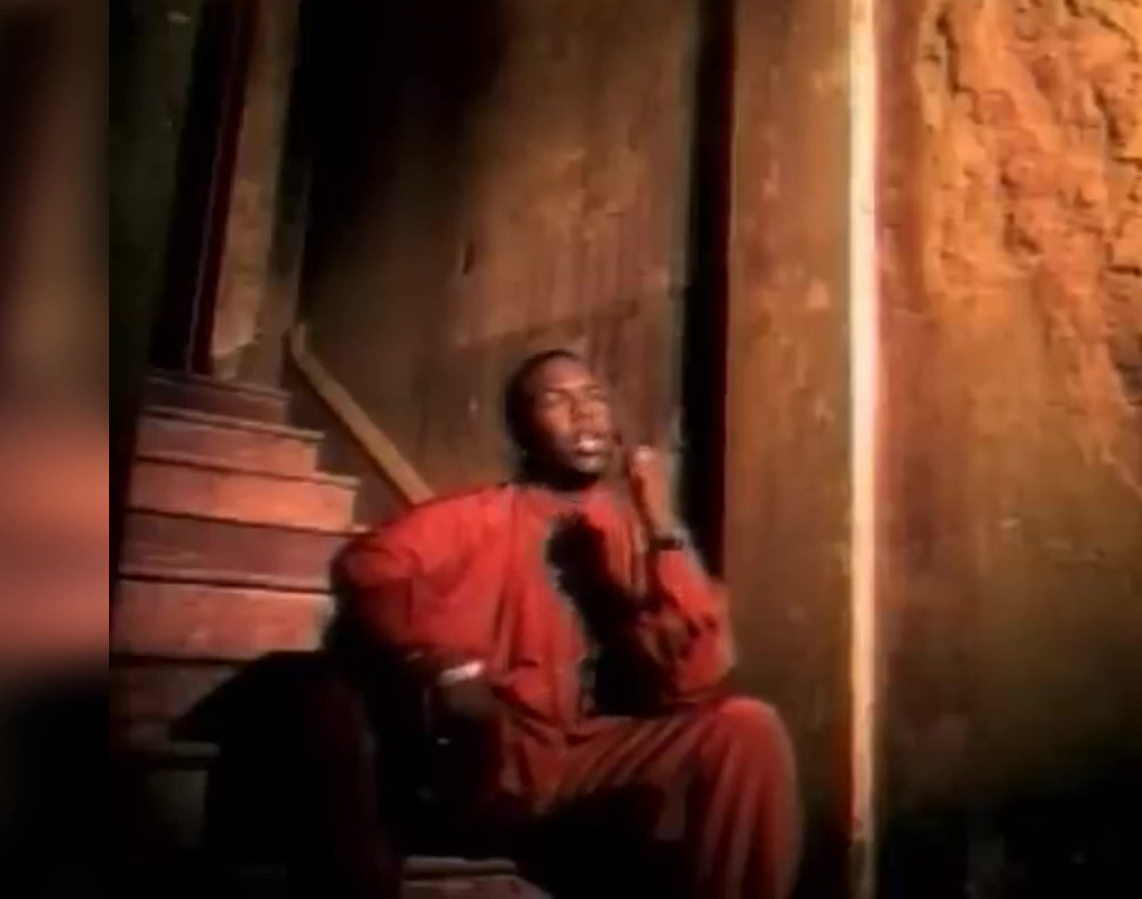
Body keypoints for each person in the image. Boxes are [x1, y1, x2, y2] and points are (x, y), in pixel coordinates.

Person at [336, 349, 800, 899]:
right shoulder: (478, 518)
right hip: (502, 759)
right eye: (556, 401)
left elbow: (694, 679)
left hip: (590, 751)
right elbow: (367, 568)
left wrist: (663, 526)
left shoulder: (629, 531)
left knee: (747, 728)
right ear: (522, 430)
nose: (585, 413)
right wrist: (448, 665)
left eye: (595, 397)